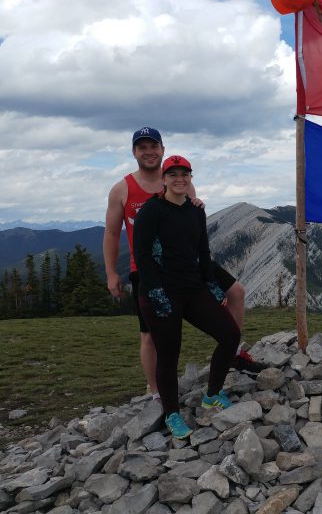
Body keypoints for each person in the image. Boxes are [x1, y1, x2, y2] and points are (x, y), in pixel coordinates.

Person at [103, 127, 263, 398]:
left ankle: (232, 353)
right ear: (134, 153)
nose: (149, 152)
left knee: (236, 291)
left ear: (163, 150)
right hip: (147, 268)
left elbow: (191, 219)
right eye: (142, 147)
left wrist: (197, 203)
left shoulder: (182, 182)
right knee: (150, 336)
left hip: (189, 260)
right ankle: (155, 390)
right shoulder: (121, 189)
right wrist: (110, 273)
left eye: (153, 146)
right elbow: (111, 232)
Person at [134, 155, 241, 439]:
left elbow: (203, 252)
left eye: (185, 174)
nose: (180, 178)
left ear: (190, 178)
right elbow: (142, 256)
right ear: (164, 179)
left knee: (230, 334)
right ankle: (171, 413)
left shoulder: (196, 211)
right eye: (174, 174)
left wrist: (214, 287)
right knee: (169, 354)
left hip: (192, 288)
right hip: (161, 292)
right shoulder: (151, 211)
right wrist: (155, 292)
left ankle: (212, 395)